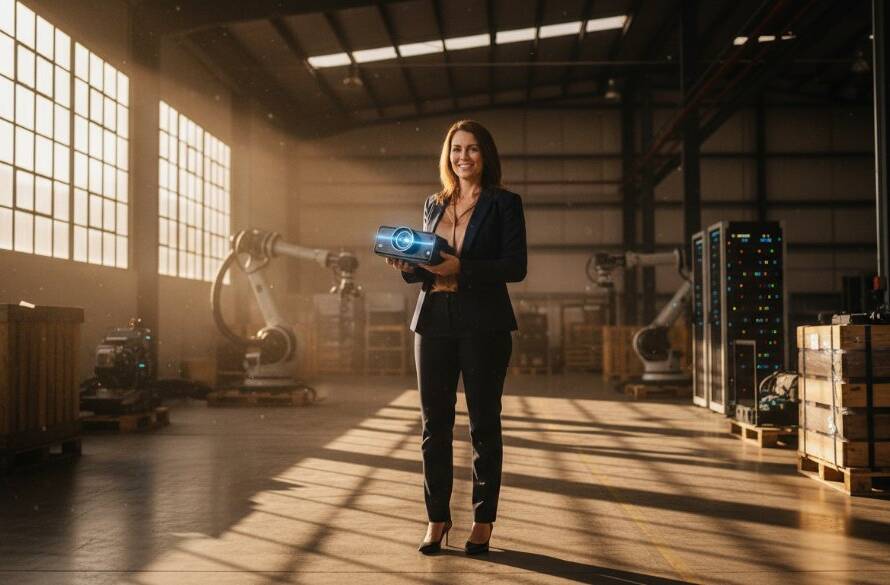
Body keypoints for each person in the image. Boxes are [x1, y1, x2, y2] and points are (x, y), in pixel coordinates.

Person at [385, 119, 527, 555]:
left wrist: (461, 268)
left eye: (472, 149)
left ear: (486, 155)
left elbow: (514, 267)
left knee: (483, 425)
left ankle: (483, 521)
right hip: (433, 321)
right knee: (434, 427)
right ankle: (437, 518)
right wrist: (409, 266)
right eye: (456, 150)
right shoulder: (434, 203)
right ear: (447, 157)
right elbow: (428, 264)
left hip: (483, 322)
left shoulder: (504, 203)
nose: (463, 157)